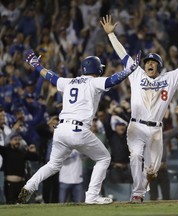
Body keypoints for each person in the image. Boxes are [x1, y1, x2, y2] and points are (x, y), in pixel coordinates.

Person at [100, 14, 178, 203]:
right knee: (136, 155)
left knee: (153, 171)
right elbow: (122, 54)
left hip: (156, 129)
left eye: (153, 62)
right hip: (136, 126)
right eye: (147, 61)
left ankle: (144, 185)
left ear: (159, 67)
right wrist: (111, 35)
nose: (149, 64)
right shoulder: (136, 73)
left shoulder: (169, 79)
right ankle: (137, 194)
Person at [17, 48, 141, 205]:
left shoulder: (69, 81)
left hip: (61, 130)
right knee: (104, 158)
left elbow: (50, 76)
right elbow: (113, 80)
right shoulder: (94, 81)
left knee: (53, 164)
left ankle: (29, 186)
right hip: (78, 130)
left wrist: (36, 64)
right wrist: (129, 69)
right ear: (97, 69)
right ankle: (92, 196)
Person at [0, 134, 38, 204]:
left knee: (23, 204)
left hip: (21, 184)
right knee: (10, 204)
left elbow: (35, 158)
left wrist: (33, 152)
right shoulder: (6, 151)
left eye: (18, 140)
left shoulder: (22, 152)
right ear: (10, 141)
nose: (17, 141)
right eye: (15, 140)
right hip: (10, 185)